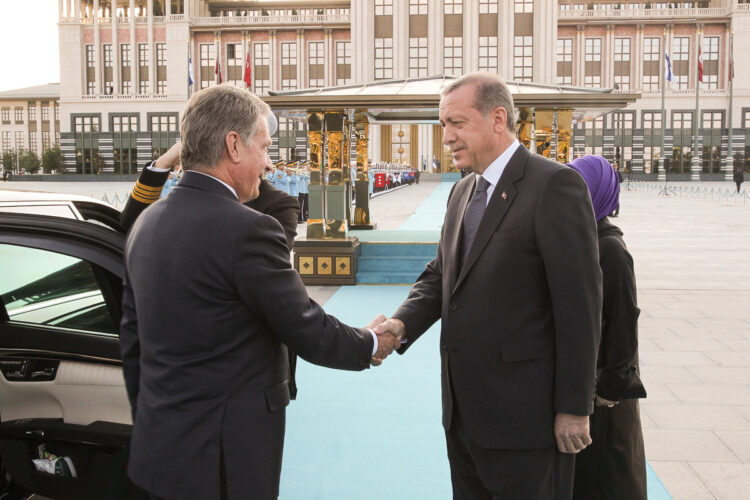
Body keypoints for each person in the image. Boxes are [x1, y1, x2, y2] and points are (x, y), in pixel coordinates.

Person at [119, 85, 399, 500]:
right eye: (264, 147)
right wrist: (372, 341)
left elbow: (133, 343)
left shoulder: (145, 223)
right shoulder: (247, 228)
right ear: (233, 145)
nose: (268, 162)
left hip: (159, 451)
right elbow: (303, 324)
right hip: (223, 461)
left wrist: (152, 421)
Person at [374, 72, 602, 499]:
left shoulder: (553, 185)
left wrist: (574, 407)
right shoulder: (462, 191)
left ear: (499, 119)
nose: (447, 137)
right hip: (463, 416)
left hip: (526, 421)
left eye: (457, 123)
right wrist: (401, 325)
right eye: (443, 125)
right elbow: (442, 273)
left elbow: (580, 307)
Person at [567, 155, 647, 500]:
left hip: (605, 397)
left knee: (608, 476)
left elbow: (623, 326)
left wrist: (608, 389)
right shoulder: (579, 241)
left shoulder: (610, 250)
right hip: (582, 385)